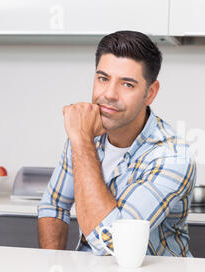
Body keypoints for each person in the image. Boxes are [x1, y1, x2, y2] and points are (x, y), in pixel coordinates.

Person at [38, 30, 196, 257]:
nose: (109, 94)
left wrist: (82, 141)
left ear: (150, 93)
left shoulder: (172, 155)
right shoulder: (85, 133)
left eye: (127, 84)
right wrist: (53, 271)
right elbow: (53, 206)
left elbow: (112, 244)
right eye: (103, 78)